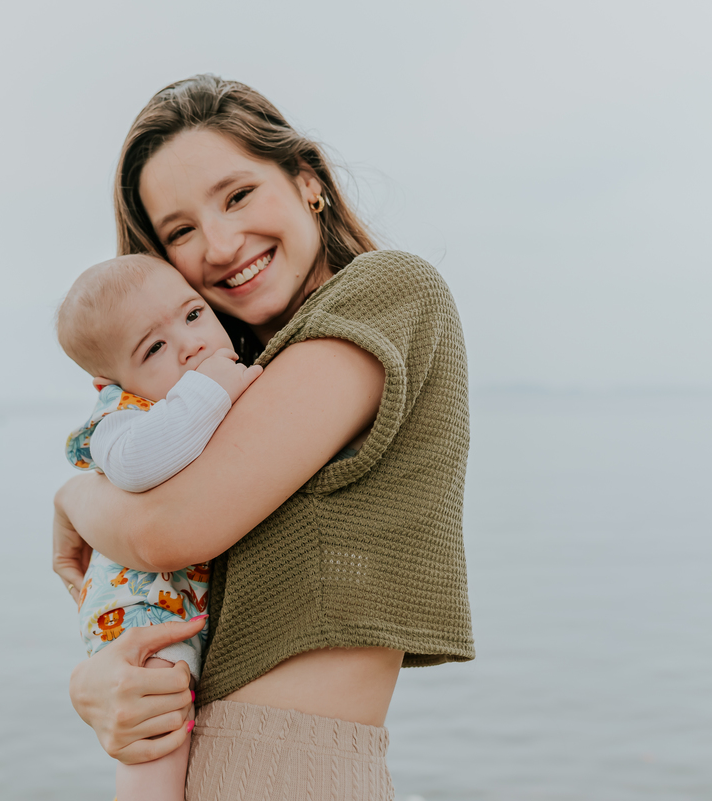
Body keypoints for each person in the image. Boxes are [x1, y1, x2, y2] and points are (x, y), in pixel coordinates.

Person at [52, 74, 474, 801]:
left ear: (308, 181)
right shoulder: (228, 387)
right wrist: (96, 685)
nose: (220, 244)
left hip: (286, 770)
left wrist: (71, 497)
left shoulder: (387, 293)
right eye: (180, 231)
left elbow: (165, 532)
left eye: (238, 195)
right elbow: (154, 592)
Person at [55, 253, 262, 801]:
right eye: (154, 348)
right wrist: (213, 389)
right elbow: (135, 464)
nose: (189, 345)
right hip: (142, 609)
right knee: (158, 739)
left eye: (193, 315)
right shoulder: (120, 414)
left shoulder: (201, 381)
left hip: (181, 600)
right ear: (109, 382)